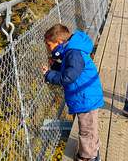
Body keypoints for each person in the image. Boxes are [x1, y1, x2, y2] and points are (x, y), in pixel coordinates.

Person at [42, 24, 103, 161]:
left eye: (49, 45)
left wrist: (49, 76)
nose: (48, 48)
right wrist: (56, 66)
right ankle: (93, 149)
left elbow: (69, 77)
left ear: (59, 42)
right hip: (85, 94)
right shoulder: (72, 50)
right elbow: (70, 68)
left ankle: (88, 157)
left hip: (85, 97)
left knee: (86, 129)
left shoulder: (73, 53)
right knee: (89, 127)